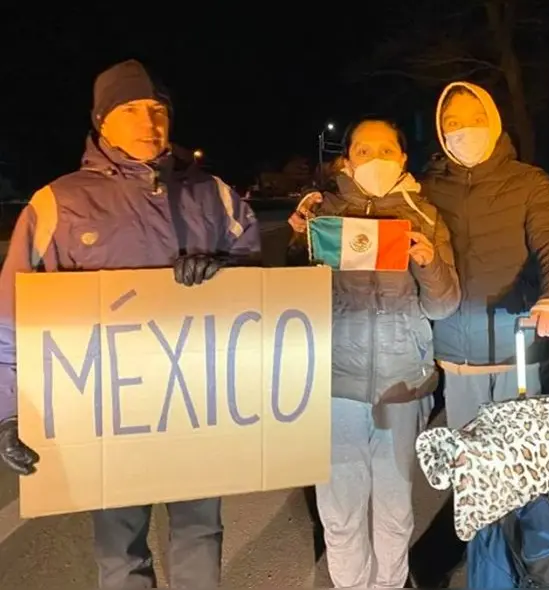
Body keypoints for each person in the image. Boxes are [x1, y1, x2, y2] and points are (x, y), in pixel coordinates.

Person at [0, 59, 260, 588]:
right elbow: (13, 318)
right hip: (105, 415)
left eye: (158, 109)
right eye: (131, 109)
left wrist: (229, 272)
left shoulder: (216, 194)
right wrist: (10, 411)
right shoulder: (58, 203)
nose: (149, 121)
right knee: (120, 554)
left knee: (199, 536)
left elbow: (265, 292)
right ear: (101, 122)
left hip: (198, 406)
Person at [287, 118, 460, 588]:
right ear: (347, 159)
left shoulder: (424, 215)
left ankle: (389, 584)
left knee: (394, 508)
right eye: (365, 150)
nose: (377, 158)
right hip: (335, 385)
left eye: (388, 149)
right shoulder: (323, 215)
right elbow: (292, 302)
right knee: (339, 512)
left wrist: (429, 262)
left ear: (404, 158)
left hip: (402, 384)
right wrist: (296, 241)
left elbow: (444, 306)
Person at [423, 81, 549, 429]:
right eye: (452, 122)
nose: (464, 129)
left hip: (517, 346)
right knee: (470, 460)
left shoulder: (529, 182)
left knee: (517, 461)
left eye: (476, 118)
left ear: (493, 121)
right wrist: (316, 216)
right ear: (440, 130)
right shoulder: (427, 188)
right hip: (456, 350)